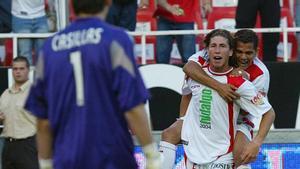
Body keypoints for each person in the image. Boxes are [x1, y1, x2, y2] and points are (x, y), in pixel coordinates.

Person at [24, 0, 161, 169]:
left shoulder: (48, 48)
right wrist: (151, 154)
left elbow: (43, 121)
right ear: (108, 2)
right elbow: (133, 107)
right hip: (112, 157)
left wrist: (45, 163)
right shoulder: (116, 39)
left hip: (66, 159)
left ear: (72, 5)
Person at [159, 29, 274, 168]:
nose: (243, 57)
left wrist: (256, 143)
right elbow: (188, 70)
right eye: (239, 51)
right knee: (169, 134)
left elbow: (260, 110)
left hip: (238, 120)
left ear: (256, 51)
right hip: (203, 122)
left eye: (248, 53)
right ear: (233, 49)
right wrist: (184, 120)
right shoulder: (207, 59)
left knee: (240, 154)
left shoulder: (258, 74)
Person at [0, 56, 39, 169]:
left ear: (28, 70)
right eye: (15, 69)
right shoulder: (5, 94)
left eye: (22, 69)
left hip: (28, 146)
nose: (18, 72)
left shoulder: (35, 93)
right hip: (7, 146)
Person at [12, 0, 49, 65]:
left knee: (42, 54)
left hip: (41, 16)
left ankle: (40, 75)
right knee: (25, 55)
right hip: (20, 17)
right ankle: (29, 75)